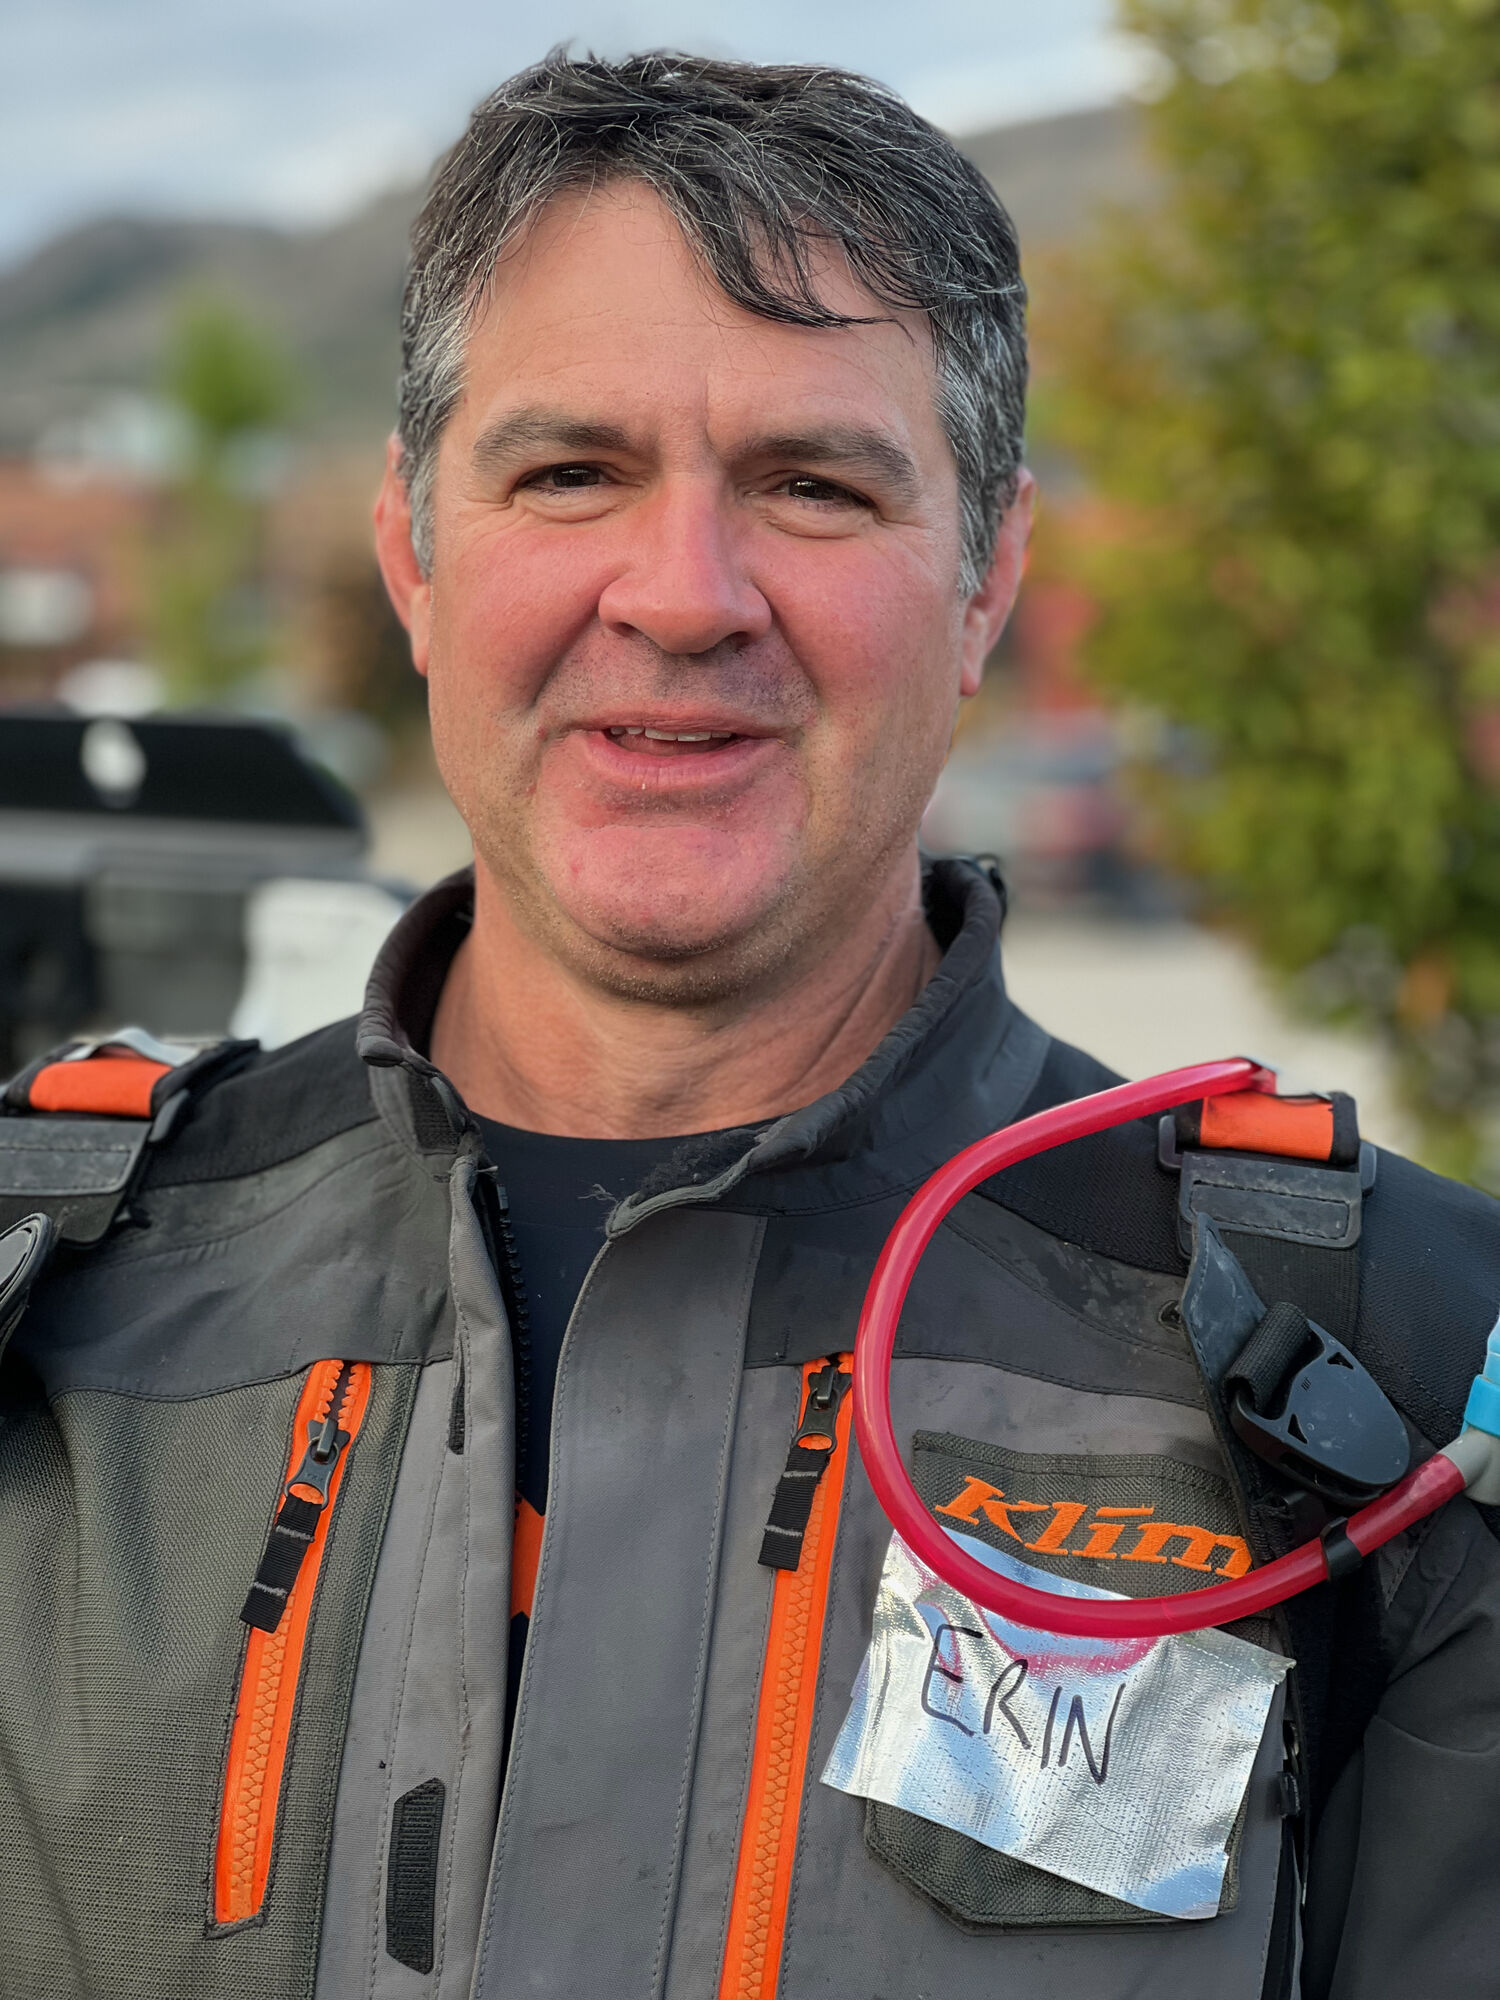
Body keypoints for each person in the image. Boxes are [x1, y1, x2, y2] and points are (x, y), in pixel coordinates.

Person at [0, 51, 1497, 2000]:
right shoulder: (54, 1302)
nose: (686, 594)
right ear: (414, 555)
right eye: (570, 473)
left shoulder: (1402, 1379)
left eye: (812, 485)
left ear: (989, 578)